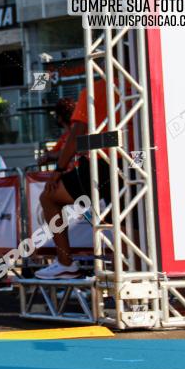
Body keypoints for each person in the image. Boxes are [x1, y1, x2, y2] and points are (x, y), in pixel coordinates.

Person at [36, 79, 114, 279]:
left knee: (48, 197)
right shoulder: (145, 83)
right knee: (131, 219)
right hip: (139, 161)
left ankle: (65, 263)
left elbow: (76, 136)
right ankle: (138, 271)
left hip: (103, 162)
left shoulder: (95, 89)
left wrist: (58, 169)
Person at [39, 97, 76, 166]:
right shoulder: (69, 134)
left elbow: (65, 152)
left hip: (73, 173)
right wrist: (48, 155)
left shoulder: (72, 134)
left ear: (59, 117)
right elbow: (54, 153)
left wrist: (49, 156)